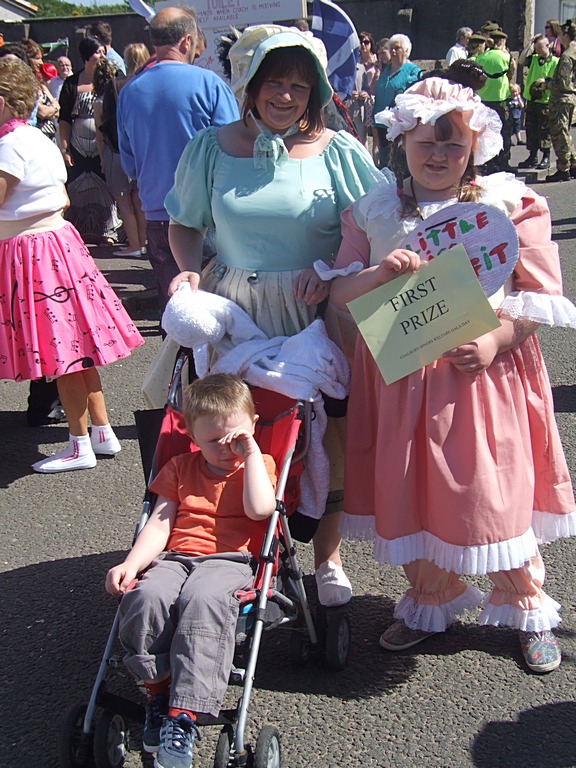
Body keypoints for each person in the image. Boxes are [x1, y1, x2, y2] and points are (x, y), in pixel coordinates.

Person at [329, 73, 576, 674]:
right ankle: (430, 597)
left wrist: (496, 339)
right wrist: (380, 275)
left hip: (481, 373)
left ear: (474, 150)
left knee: (491, 488)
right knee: (414, 484)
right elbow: (340, 293)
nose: (438, 156)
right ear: (400, 144)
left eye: (453, 146)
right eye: (425, 143)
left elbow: (538, 293)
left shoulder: (509, 204)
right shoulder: (373, 212)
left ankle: (524, 602)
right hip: (402, 372)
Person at [164, 24, 382, 607]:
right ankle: (240, 544)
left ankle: (327, 557)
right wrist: (187, 270)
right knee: (236, 430)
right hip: (233, 309)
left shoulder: (339, 151)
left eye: (300, 86)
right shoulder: (210, 146)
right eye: (274, 83)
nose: (286, 96)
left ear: (315, 92)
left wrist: (333, 267)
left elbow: (377, 227)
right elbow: (185, 222)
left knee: (323, 433)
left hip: (315, 310)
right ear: (251, 84)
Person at [106, 374, 277, 768]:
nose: (224, 448)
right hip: (177, 556)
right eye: (213, 441)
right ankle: (157, 690)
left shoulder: (259, 464)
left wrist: (250, 455)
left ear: (252, 427)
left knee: (202, 602)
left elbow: (259, 510)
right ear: (191, 436)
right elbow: (160, 524)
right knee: (146, 595)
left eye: (234, 437)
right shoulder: (181, 467)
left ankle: (185, 714)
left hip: (229, 560)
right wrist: (132, 563)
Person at [0, 57, 144, 473]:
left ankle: (79, 443)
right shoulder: (36, 139)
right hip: (59, 245)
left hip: (33, 254)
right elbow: (60, 198)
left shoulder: (8, 146)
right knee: (78, 350)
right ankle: (101, 432)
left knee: (61, 351)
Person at [117, 6, 239, 314]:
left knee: (175, 314)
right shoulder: (209, 84)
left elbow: (129, 163)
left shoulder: (129, 91)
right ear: (187, 41)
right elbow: (236, 150)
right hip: (208, 217)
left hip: (157, 217)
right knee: (221, 314)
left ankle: (177, 364)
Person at [59, 36, 120, 244]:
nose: (102, 56)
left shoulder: (111, 80)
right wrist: (65, 148)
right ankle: (80, 230)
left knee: (105, 185)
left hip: (103, 142)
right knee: (78, 185)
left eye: (104, 52)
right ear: (86, 56)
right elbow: (64, 119)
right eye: (98, 52)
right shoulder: (71, 82)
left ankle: (107, 230)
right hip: (78, 143)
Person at [93, 59, 147, 257]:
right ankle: (142, 242)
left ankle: (133, 245)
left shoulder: (98, 103)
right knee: (138, 201)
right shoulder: (131, 96)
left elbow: (100, 137)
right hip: (133, 153)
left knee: (124, 204)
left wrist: (101, 158)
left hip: (114, 154)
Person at [373, 34, 421, 169]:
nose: (393, 51)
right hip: (382, 124)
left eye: (397, 48)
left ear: (406, 51)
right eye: (391, 48)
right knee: (384, 161)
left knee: (398, 163)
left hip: (400, 126)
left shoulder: (413, 72)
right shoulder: (385, 70)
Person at [517, 35, 558, 171]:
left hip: (545, 101)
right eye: (536, 48)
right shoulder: (534, 59)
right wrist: (529, 44)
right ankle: (532, 156)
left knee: (544, 130)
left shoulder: (555, 62)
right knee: (531, 128)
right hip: (532, 100)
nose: (538, 51)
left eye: (540, 47)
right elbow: (521, 61)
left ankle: (545, 156)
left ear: (547, 46)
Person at [477, 28, 515, 171]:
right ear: (502, 41)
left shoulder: (482, 57)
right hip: (501, 100)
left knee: (487, 133)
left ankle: (488, 162)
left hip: (484, 100)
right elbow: (511, 75)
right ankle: (503, 162)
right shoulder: (507, 57)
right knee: (504, 131)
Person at [545, 19, 576, 182]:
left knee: (559, 133)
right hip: (570, 97)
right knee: (565, 132)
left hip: (562, 98)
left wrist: (546, 83)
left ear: (566, 35)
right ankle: (572, 164)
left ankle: (563, 168)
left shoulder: (567, 55)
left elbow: (563, 82)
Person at [347, 31, 379, 146]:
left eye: (366, 42)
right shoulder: (357, 62)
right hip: (358, 103)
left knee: (372, 137)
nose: (363, 45)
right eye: (361, 42)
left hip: (374, 100)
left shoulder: (377, 60)